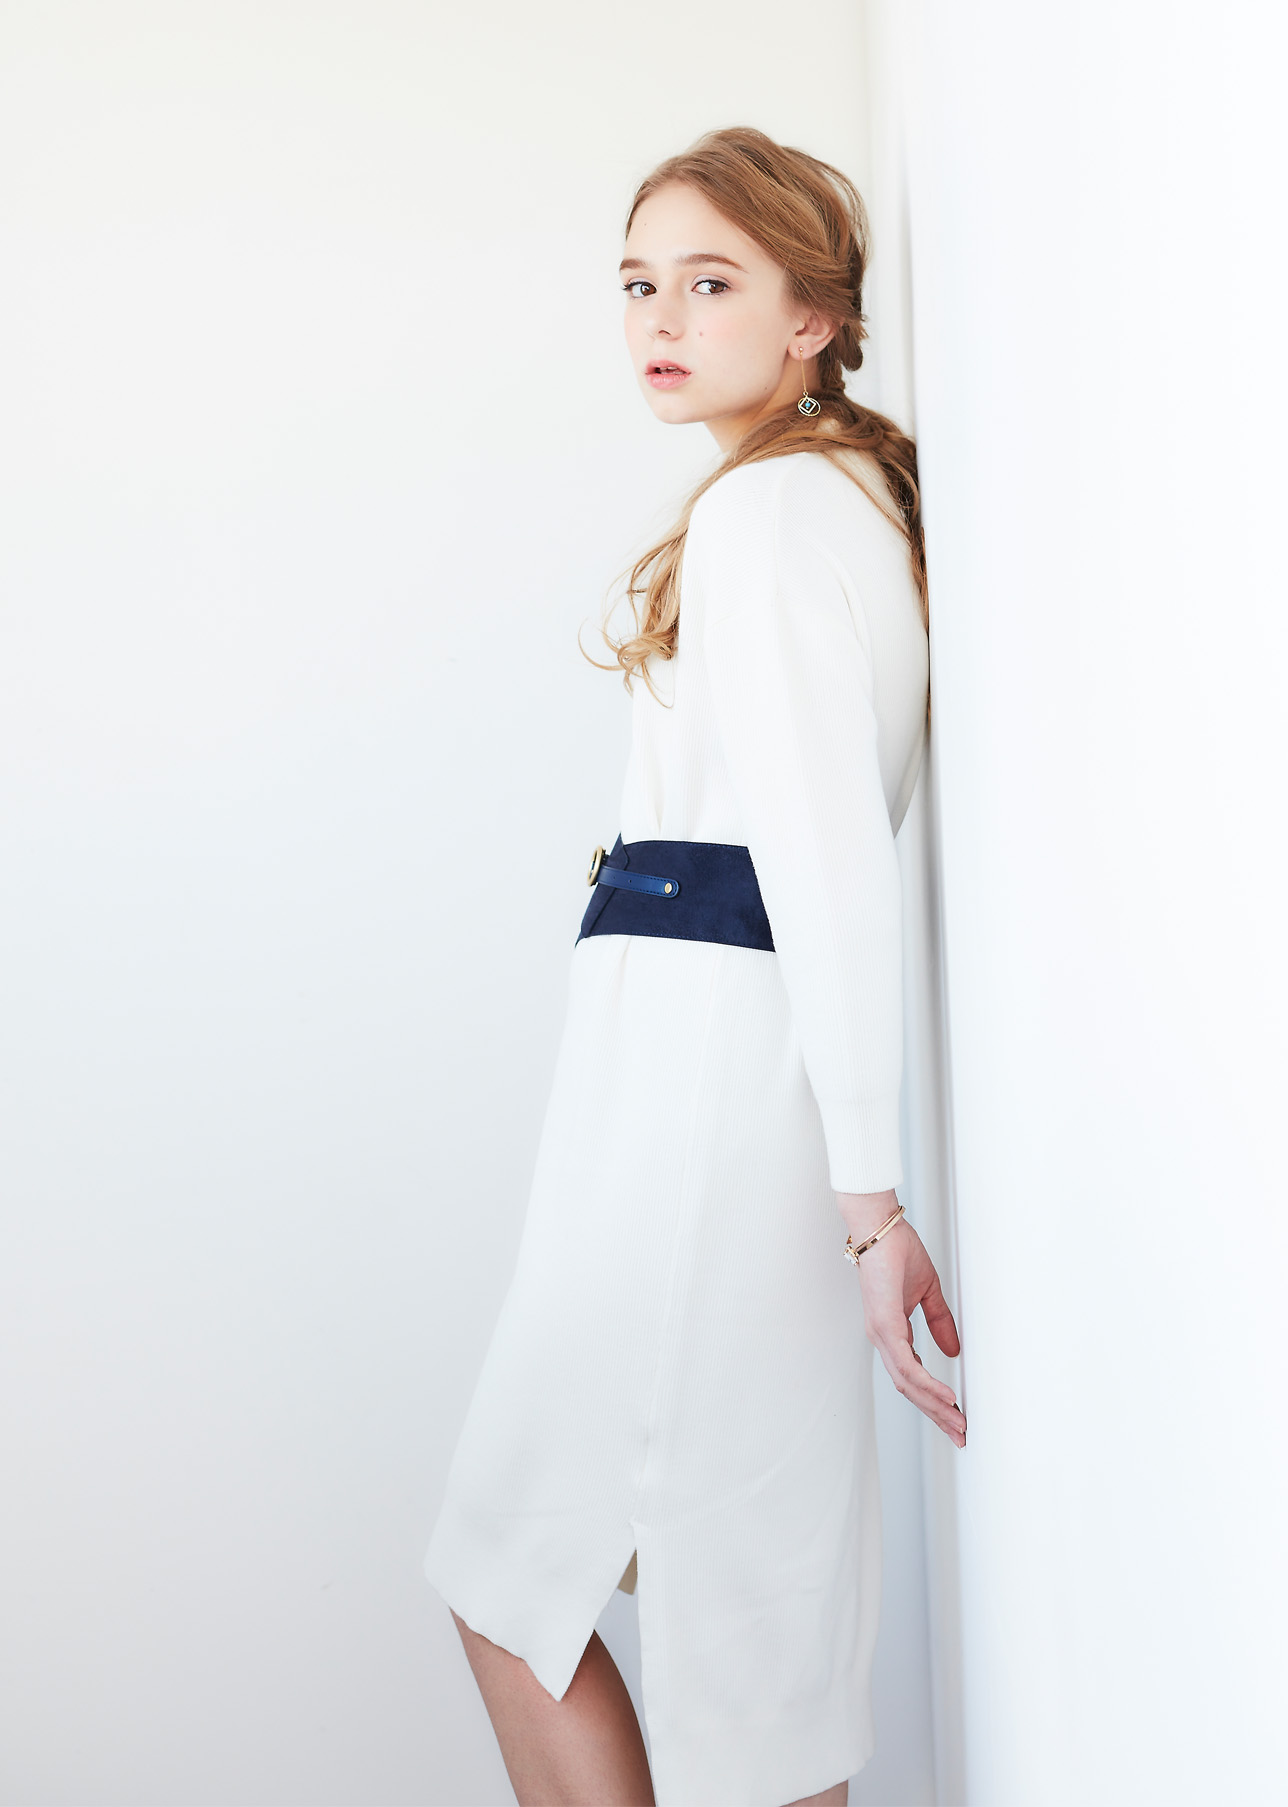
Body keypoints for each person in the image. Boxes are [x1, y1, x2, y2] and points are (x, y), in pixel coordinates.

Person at [423, 125, 966, 1807]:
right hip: (716, 1089)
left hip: (698, 1107)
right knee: (746, 1649)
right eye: (640, 283)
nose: (661, 318)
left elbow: (825, 862)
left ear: (814, 316)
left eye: (711, 282)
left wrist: (871, 1206)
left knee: (521, 1570)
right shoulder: (822, 499)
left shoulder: (772, 515)